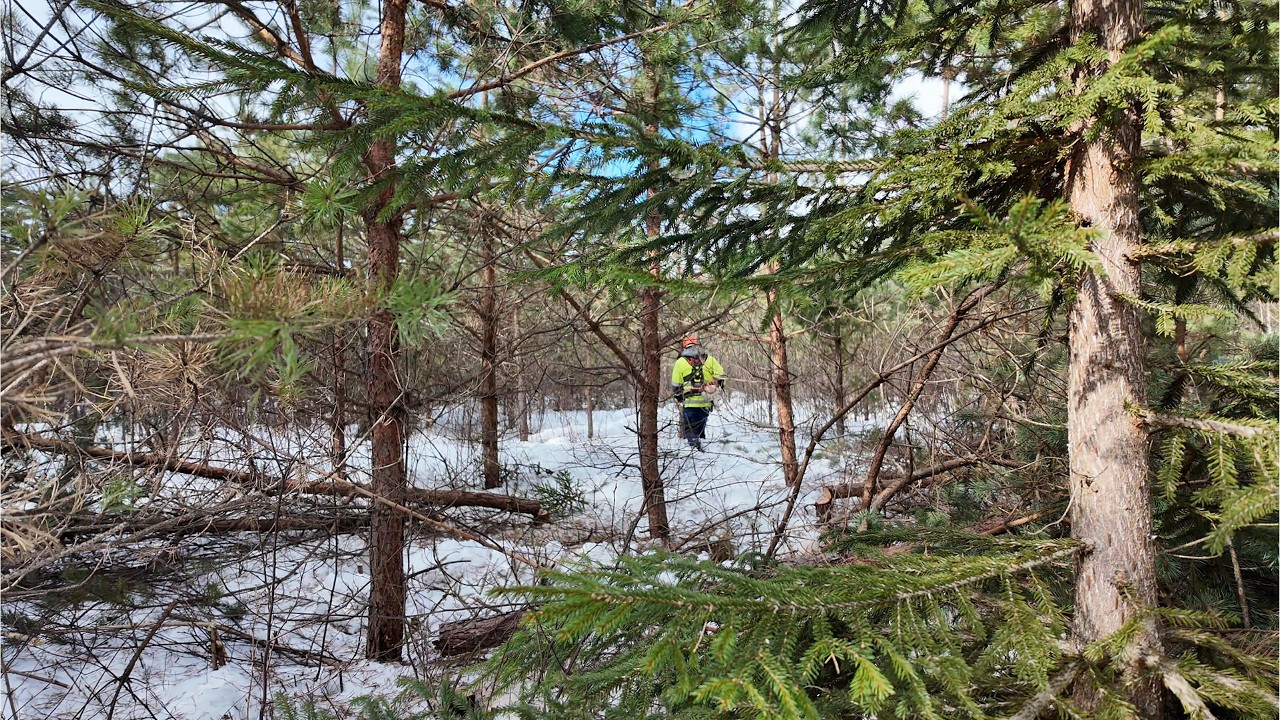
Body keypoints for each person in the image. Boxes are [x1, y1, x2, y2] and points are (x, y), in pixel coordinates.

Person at [671, 334, 726, 451]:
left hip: (689, 403)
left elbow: (676, 385)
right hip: (706, 402)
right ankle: (701, 450)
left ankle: (695, 451)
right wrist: (714, 386)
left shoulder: (680, 362)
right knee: (700, 431)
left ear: (685, 346)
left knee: (690, 432)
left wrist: (679, 398)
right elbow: (721, 377)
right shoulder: (709, 360)